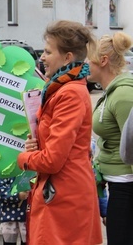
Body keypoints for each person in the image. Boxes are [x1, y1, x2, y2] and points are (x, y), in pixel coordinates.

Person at [16, 20, 102, 244]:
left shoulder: (68, 93)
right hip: (61, 192)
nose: (41, 57)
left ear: (67, 57)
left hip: (64, 198)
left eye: (47, 51)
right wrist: (37, 148)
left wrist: (24, 158)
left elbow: (53, 160)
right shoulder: (61, 88)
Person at [87, 31, 133, 244]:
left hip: (126, 185)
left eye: (89, 59)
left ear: (103, 61)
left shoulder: (124, 95)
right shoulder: (111, 93)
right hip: (115, 183)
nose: (85, 64)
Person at [0, 177, 28, 245]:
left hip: (29, 215)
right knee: (8, 242)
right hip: (9, 215)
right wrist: (16, 195)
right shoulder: (4, 170)